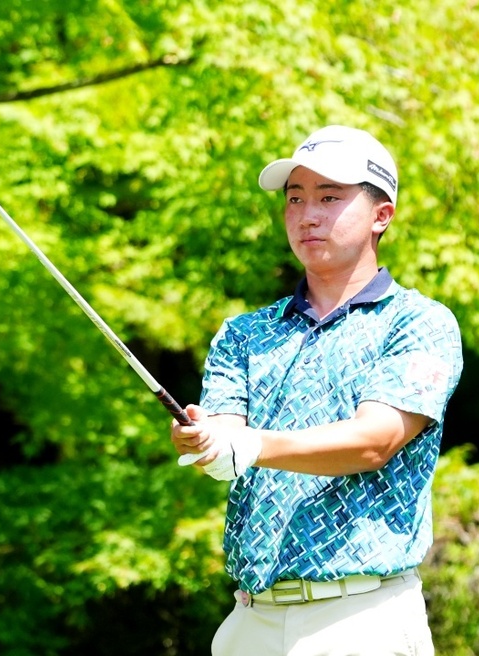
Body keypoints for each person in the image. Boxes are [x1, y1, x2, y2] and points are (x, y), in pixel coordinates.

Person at [171, 124, 463, 656]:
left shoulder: (419, 323)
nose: (307, 214)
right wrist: (206, 444)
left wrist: (252, 445)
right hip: (249, 620)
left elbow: (374, 441)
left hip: (362, 617)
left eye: (330, 198)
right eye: (295, 198)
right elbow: (226, 452)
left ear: (382, 215)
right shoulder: (245, 333)